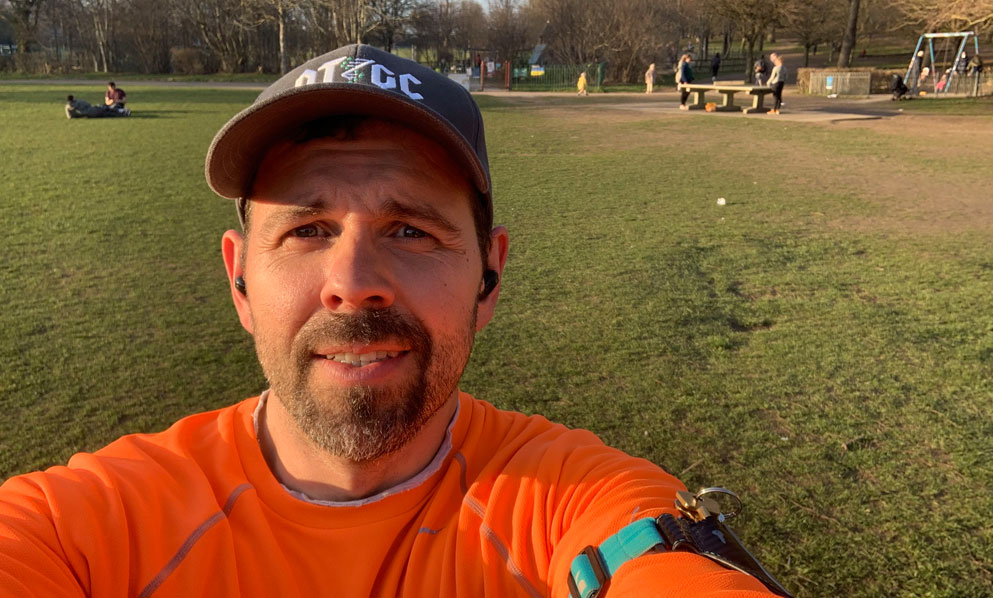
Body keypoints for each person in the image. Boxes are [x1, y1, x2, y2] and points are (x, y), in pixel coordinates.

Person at [1, 45, 791, 598]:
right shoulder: (77, 529)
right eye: (307, 231)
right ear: (239, 282)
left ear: (488, 279)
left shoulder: (580, 508)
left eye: (410, 230)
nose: (352, 285)